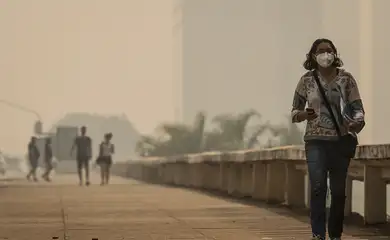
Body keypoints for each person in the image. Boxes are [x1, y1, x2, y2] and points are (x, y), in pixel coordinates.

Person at [291, 38, 365, 240]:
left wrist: (355, 123)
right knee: (318, 187)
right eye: (321, 51)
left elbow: (358, 109)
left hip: (340, 143)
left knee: (339, 192)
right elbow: (294, 112)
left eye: (329, 50)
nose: (326, 55)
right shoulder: (306, 80)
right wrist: (304, 115)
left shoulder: (346, 80)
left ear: (335, 54)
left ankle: (335, 235)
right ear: (314, 56)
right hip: (315, 142)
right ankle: (318, 234)